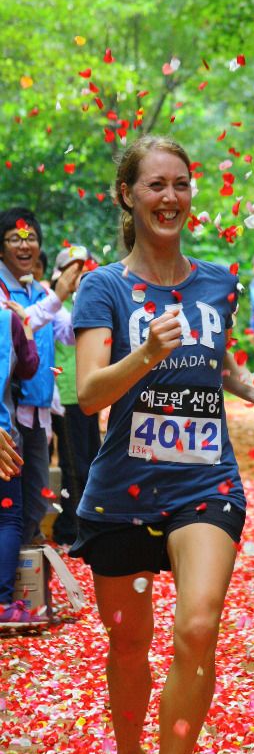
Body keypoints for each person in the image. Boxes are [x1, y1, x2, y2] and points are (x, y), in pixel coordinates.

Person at [67, 135, 254, 754]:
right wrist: (143, 355)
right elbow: (89, 393)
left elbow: (214, 360)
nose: (170, 197)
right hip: (122, 492)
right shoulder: (103, 287)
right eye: (155, 185)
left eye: (181, 184)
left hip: (203, 484)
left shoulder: (217, 281)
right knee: (130, 646)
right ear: (127, 196)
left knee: (198, 625)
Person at [0, 209, 83, 544]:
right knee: (9, 500)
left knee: (35, 494)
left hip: (40, 410)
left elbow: (71, 333)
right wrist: (58, 295)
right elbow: (20, 325)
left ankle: (23, 574)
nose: (24, 245)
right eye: (15, 238)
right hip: (9, 412)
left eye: (31, 237)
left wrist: (86, 297)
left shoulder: (40, 293)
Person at [50, 245, 101, 546]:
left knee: (93, 458)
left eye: (84, 272)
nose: (79, 278)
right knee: (73, 463)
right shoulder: (58, 310)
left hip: (88, 392)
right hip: (66, 395)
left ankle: (84, 522)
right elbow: (68, 336)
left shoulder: (89, 306)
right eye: (74, 272)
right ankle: (70, 528)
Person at [0, 306, 41, 624]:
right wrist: (26, 326)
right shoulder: (6, 318)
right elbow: (29, 367)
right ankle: (2, 603)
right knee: (8, 520)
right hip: (4, 437)